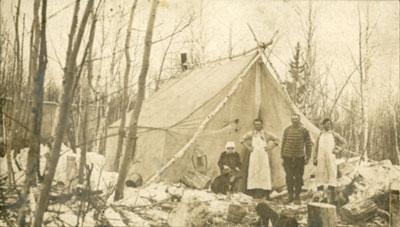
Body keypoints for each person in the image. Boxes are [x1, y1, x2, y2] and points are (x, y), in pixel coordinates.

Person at [241, 119, 280, 200]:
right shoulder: (251, 133)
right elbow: (242, 139)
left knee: (264, 172)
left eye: (259, 124)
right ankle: (253, 192)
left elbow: (277, 140)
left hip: (263, 155)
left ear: (262, 125)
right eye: (256, 124)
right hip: (254, 155)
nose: (257, 126)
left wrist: (270, 147)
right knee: (254, 171)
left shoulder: (266, 133)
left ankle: (265, 192)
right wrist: (248, 147)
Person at [313, 118, 346, 204]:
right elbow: (316, 147)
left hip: (331, 156)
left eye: (329, 124)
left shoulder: (334, 135)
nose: (328, 125)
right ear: (323, 125)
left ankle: (332, 187)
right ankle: (320, 188)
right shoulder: (320, 135)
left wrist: (338, 150)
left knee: (332, 170)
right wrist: (314, 157)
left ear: (331, 125)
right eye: (326, 124)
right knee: (320, 171)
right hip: (320, 156)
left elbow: (344, 143)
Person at [281, 114, 313, 204]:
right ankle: (290, 196)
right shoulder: (287, 130)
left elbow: (308, 144)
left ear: (299, 120)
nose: (294, 121)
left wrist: (308, 156)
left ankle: (297, 197)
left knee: (299, 177)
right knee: (289, 177)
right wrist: (282, 157)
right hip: (287, 157)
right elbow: (283, 143)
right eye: (293, 119)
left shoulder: (304, 130)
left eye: (296, 119)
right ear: (291, 120)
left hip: (299, 157)